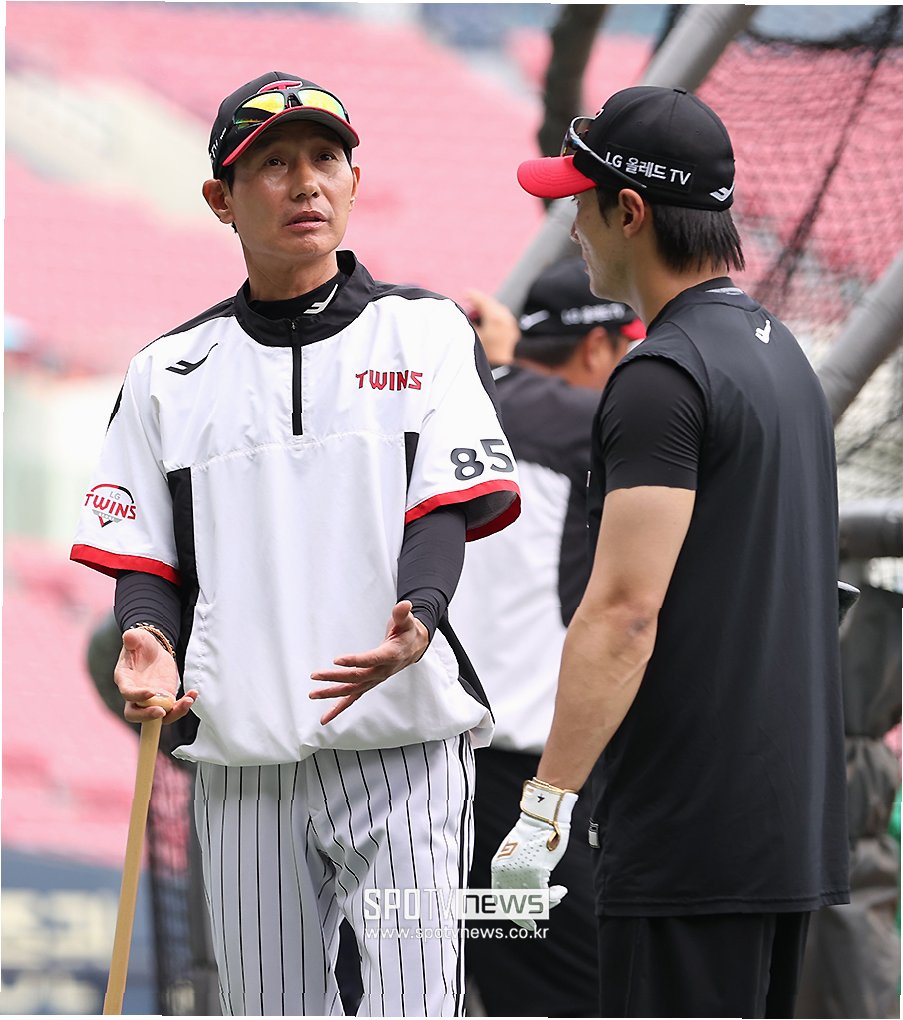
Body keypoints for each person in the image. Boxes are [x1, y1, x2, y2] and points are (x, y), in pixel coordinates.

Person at [71, 70, 520, 1018]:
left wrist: (422, 615)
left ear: (356, 181)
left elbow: (440, 509)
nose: (306, 181)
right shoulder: (165, 373)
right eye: (272, 164)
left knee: (413, 1008)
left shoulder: (428, 331)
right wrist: (146, 633)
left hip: (403, 745)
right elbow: (145, 560)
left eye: (325, 157)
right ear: (221, 199)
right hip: (243, 756)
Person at [490, 85, 849, 1019]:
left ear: (630, 211)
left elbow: (623, 612)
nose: (572, 226)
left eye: (579, 201)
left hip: (691, 835)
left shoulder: (662, 371)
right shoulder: (782, 355)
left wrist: (544, 807)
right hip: (785, 828)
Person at [453, 258, 643, 1017]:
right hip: (533, 797)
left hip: (414, 783)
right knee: (576, 999)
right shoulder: (592, 428)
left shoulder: (446, 409)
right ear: (597, 346)